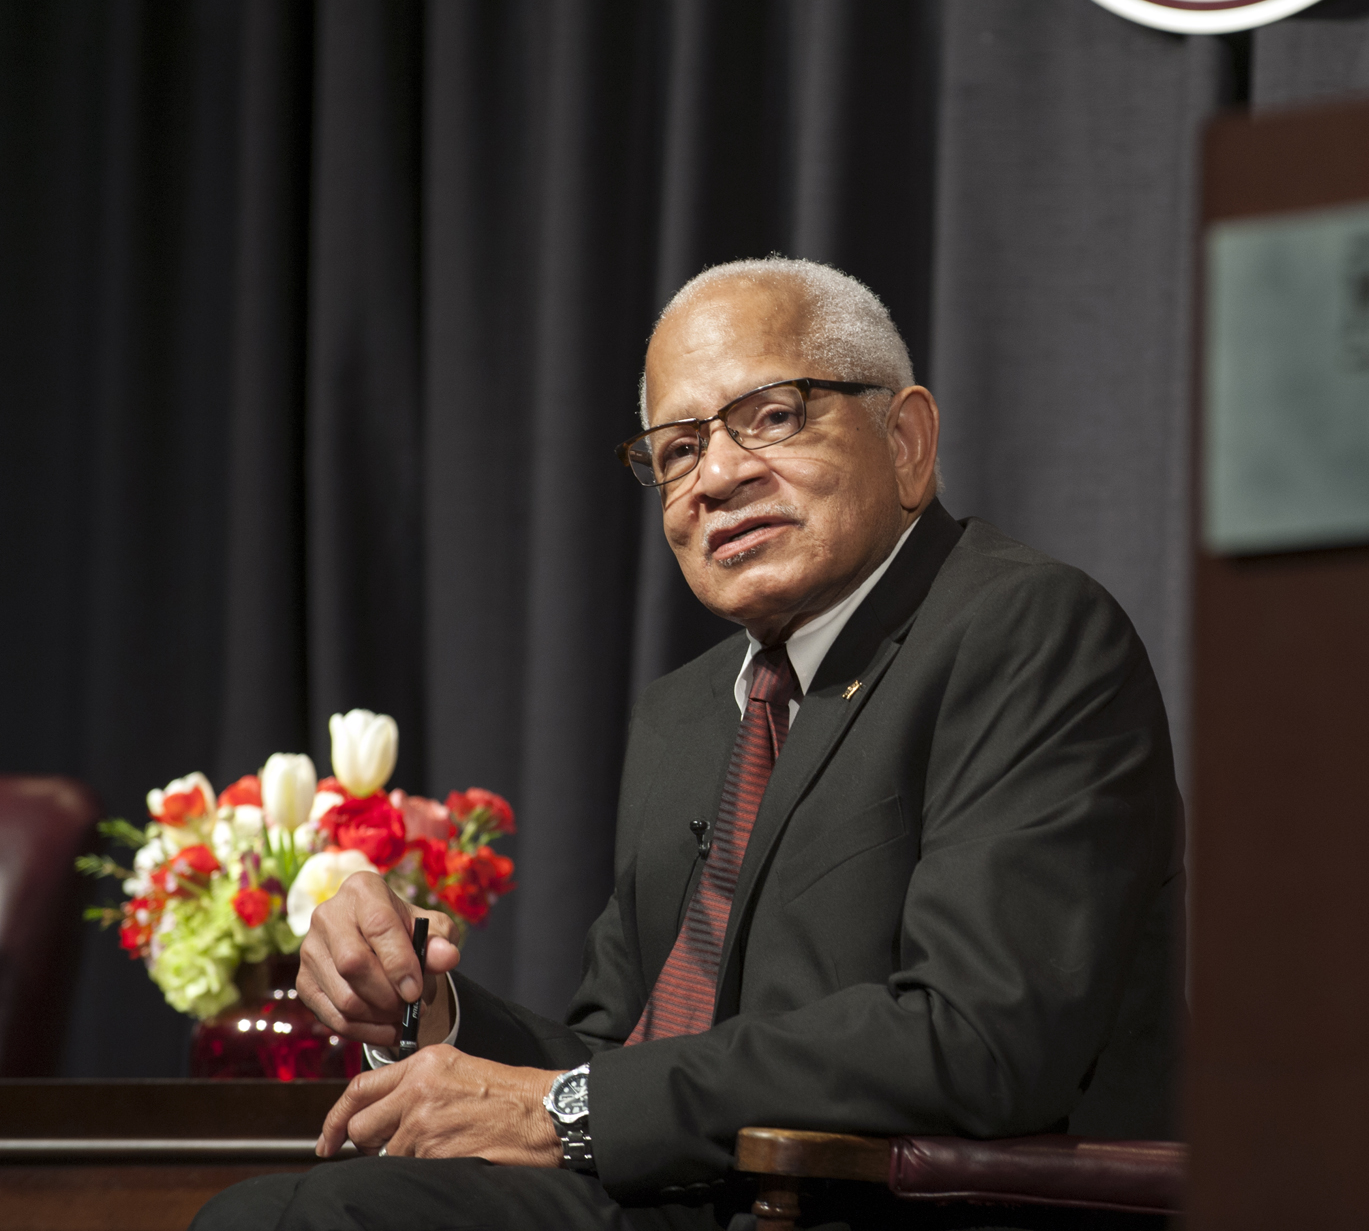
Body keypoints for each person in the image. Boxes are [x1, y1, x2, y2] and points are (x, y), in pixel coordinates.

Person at [193, 257, 1184, 1230]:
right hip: (683, 1191)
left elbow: (978, 1034)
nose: (713, 475)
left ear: (907, 439)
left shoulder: (1023, 630)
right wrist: (425, 1006)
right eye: (674, 449)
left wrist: (567, 1110)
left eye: (773, 416)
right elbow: (611, 1054)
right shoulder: (685, 712)